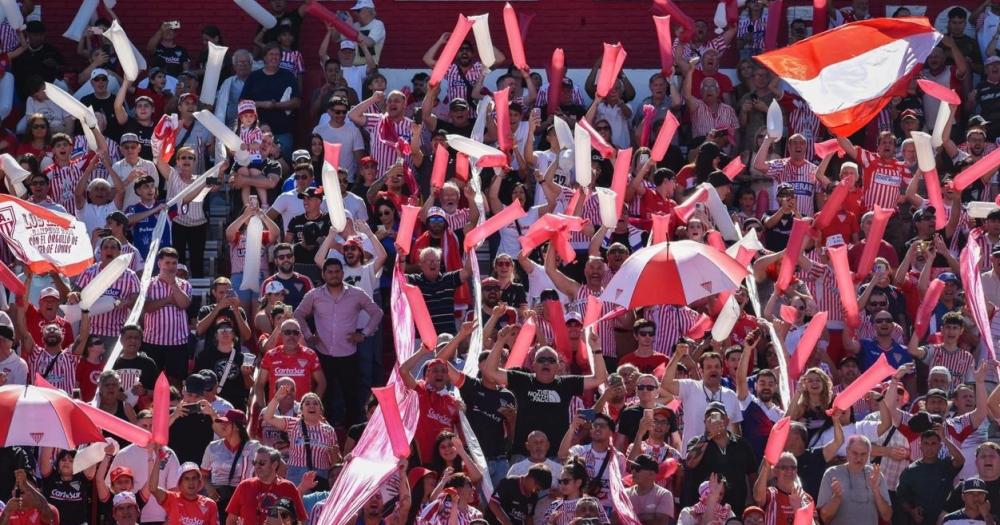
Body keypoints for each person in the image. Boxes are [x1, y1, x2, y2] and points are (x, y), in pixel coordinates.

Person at [483, 328, 609, 460]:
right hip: (523, 455)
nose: (546, 363)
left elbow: (599, 378)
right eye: (541, 360)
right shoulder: (522, 379)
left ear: (557, 367)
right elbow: (490, 372)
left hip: (556, 455)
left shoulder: (567, 383)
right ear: (534, 365)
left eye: (551, 360)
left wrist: (596, 348)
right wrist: (500, 342)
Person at [294, 257, 382, 426]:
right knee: (325, 395)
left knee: (351, 396)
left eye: (337, 272)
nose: (333, 275)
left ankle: (352, 431)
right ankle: (323, 429)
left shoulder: (357, 293)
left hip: (348, 354)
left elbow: (377, 313)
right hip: (323, 353)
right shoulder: (314, 295)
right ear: (323, 274)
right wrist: (308, 334)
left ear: (342, 273)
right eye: (330, 272)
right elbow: (298, 314)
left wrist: (363, 334)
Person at [262, 385, 340, 488]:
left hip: (321, 475)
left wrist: (335, 454)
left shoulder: (329, 430)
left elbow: (335, 460)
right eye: (307, 403)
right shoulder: (293, 423)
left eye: (315, 403)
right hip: (297, 474)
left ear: (321, 410)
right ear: (301, 410)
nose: (311, 406)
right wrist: (277, 398)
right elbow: (268, 417)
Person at [140, 247, 191, 383]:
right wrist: (168, 300)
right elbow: (147, 308)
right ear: (159, 264)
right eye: (167, 263)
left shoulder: (184, 285)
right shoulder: (148, 284)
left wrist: (173, 284)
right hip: (153, 341)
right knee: (151, 382)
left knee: (176, 381)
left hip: (177, 342)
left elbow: (184, 304)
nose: (171, 267)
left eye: (174, 263)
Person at [896, 427, 965, 525]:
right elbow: (901, 498)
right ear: (920, 446)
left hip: (944, 521)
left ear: (940, 446)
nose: (929, 447)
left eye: (933, 444)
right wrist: (912, 512)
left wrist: (944, 438)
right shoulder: (910, 471)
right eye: (926, 443)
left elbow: (960, 460)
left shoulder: (946, 466)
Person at [816, 435, 892, 524]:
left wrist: (875, 490)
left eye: (863, 454)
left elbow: (887, 516)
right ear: (847, 451)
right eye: (855, 453)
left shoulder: (876, 474)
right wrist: (836, 497)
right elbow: (824, 518)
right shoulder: (831, 474)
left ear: (869, 454)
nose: (859, 458)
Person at [225, 447, 307, 525]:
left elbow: (301, 520)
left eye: (262, 463)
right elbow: (231, 520)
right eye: (254, 462)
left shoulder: (288, 487)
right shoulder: (244, 486)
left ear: (274, 465)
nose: (257, 466)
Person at [147, 446, 218, 525]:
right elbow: (153, 489)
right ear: (180, 483)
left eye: (194, 478)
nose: (191, 482)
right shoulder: (172, 499)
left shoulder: (210, 504)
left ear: (199, 482)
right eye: (186, 479)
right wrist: (158, 460)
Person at [487, 464, 551, 525]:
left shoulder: (533, 497)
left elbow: (528, 517)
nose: (537, 492)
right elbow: (493, 503)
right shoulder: (509, 483)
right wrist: (507, 523)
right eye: (537, 489)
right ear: (531, 479)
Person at [625, 455, 674, 525]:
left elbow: (660, 523)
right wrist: (648, 516)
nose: (633, 471)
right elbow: (616, 520)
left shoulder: (664, 494)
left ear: (652, 474)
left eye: (637, 468)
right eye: (632, 467)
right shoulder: (625, 493)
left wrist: (632, 517)